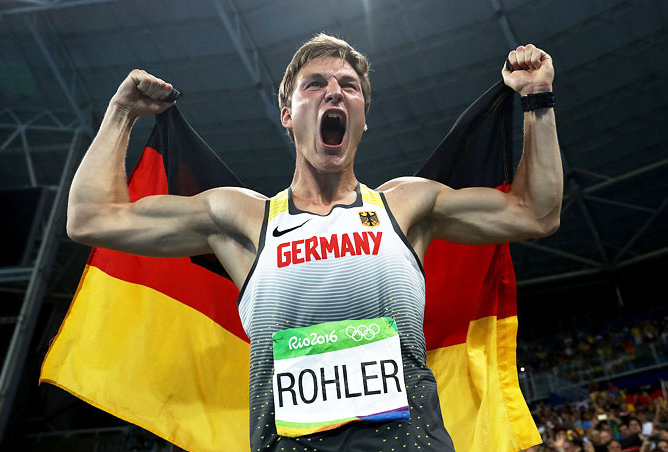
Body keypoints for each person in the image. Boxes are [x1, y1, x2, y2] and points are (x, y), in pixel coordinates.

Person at [67, 34, 562, 451]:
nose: (334, 93)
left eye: (349, 86)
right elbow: (92, 218)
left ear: (364, 115)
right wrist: (121, 113)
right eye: (315, 84)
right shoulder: (244, 219)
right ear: (287, 113)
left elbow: (535, 213)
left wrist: (537, 99)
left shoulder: (406, 206)